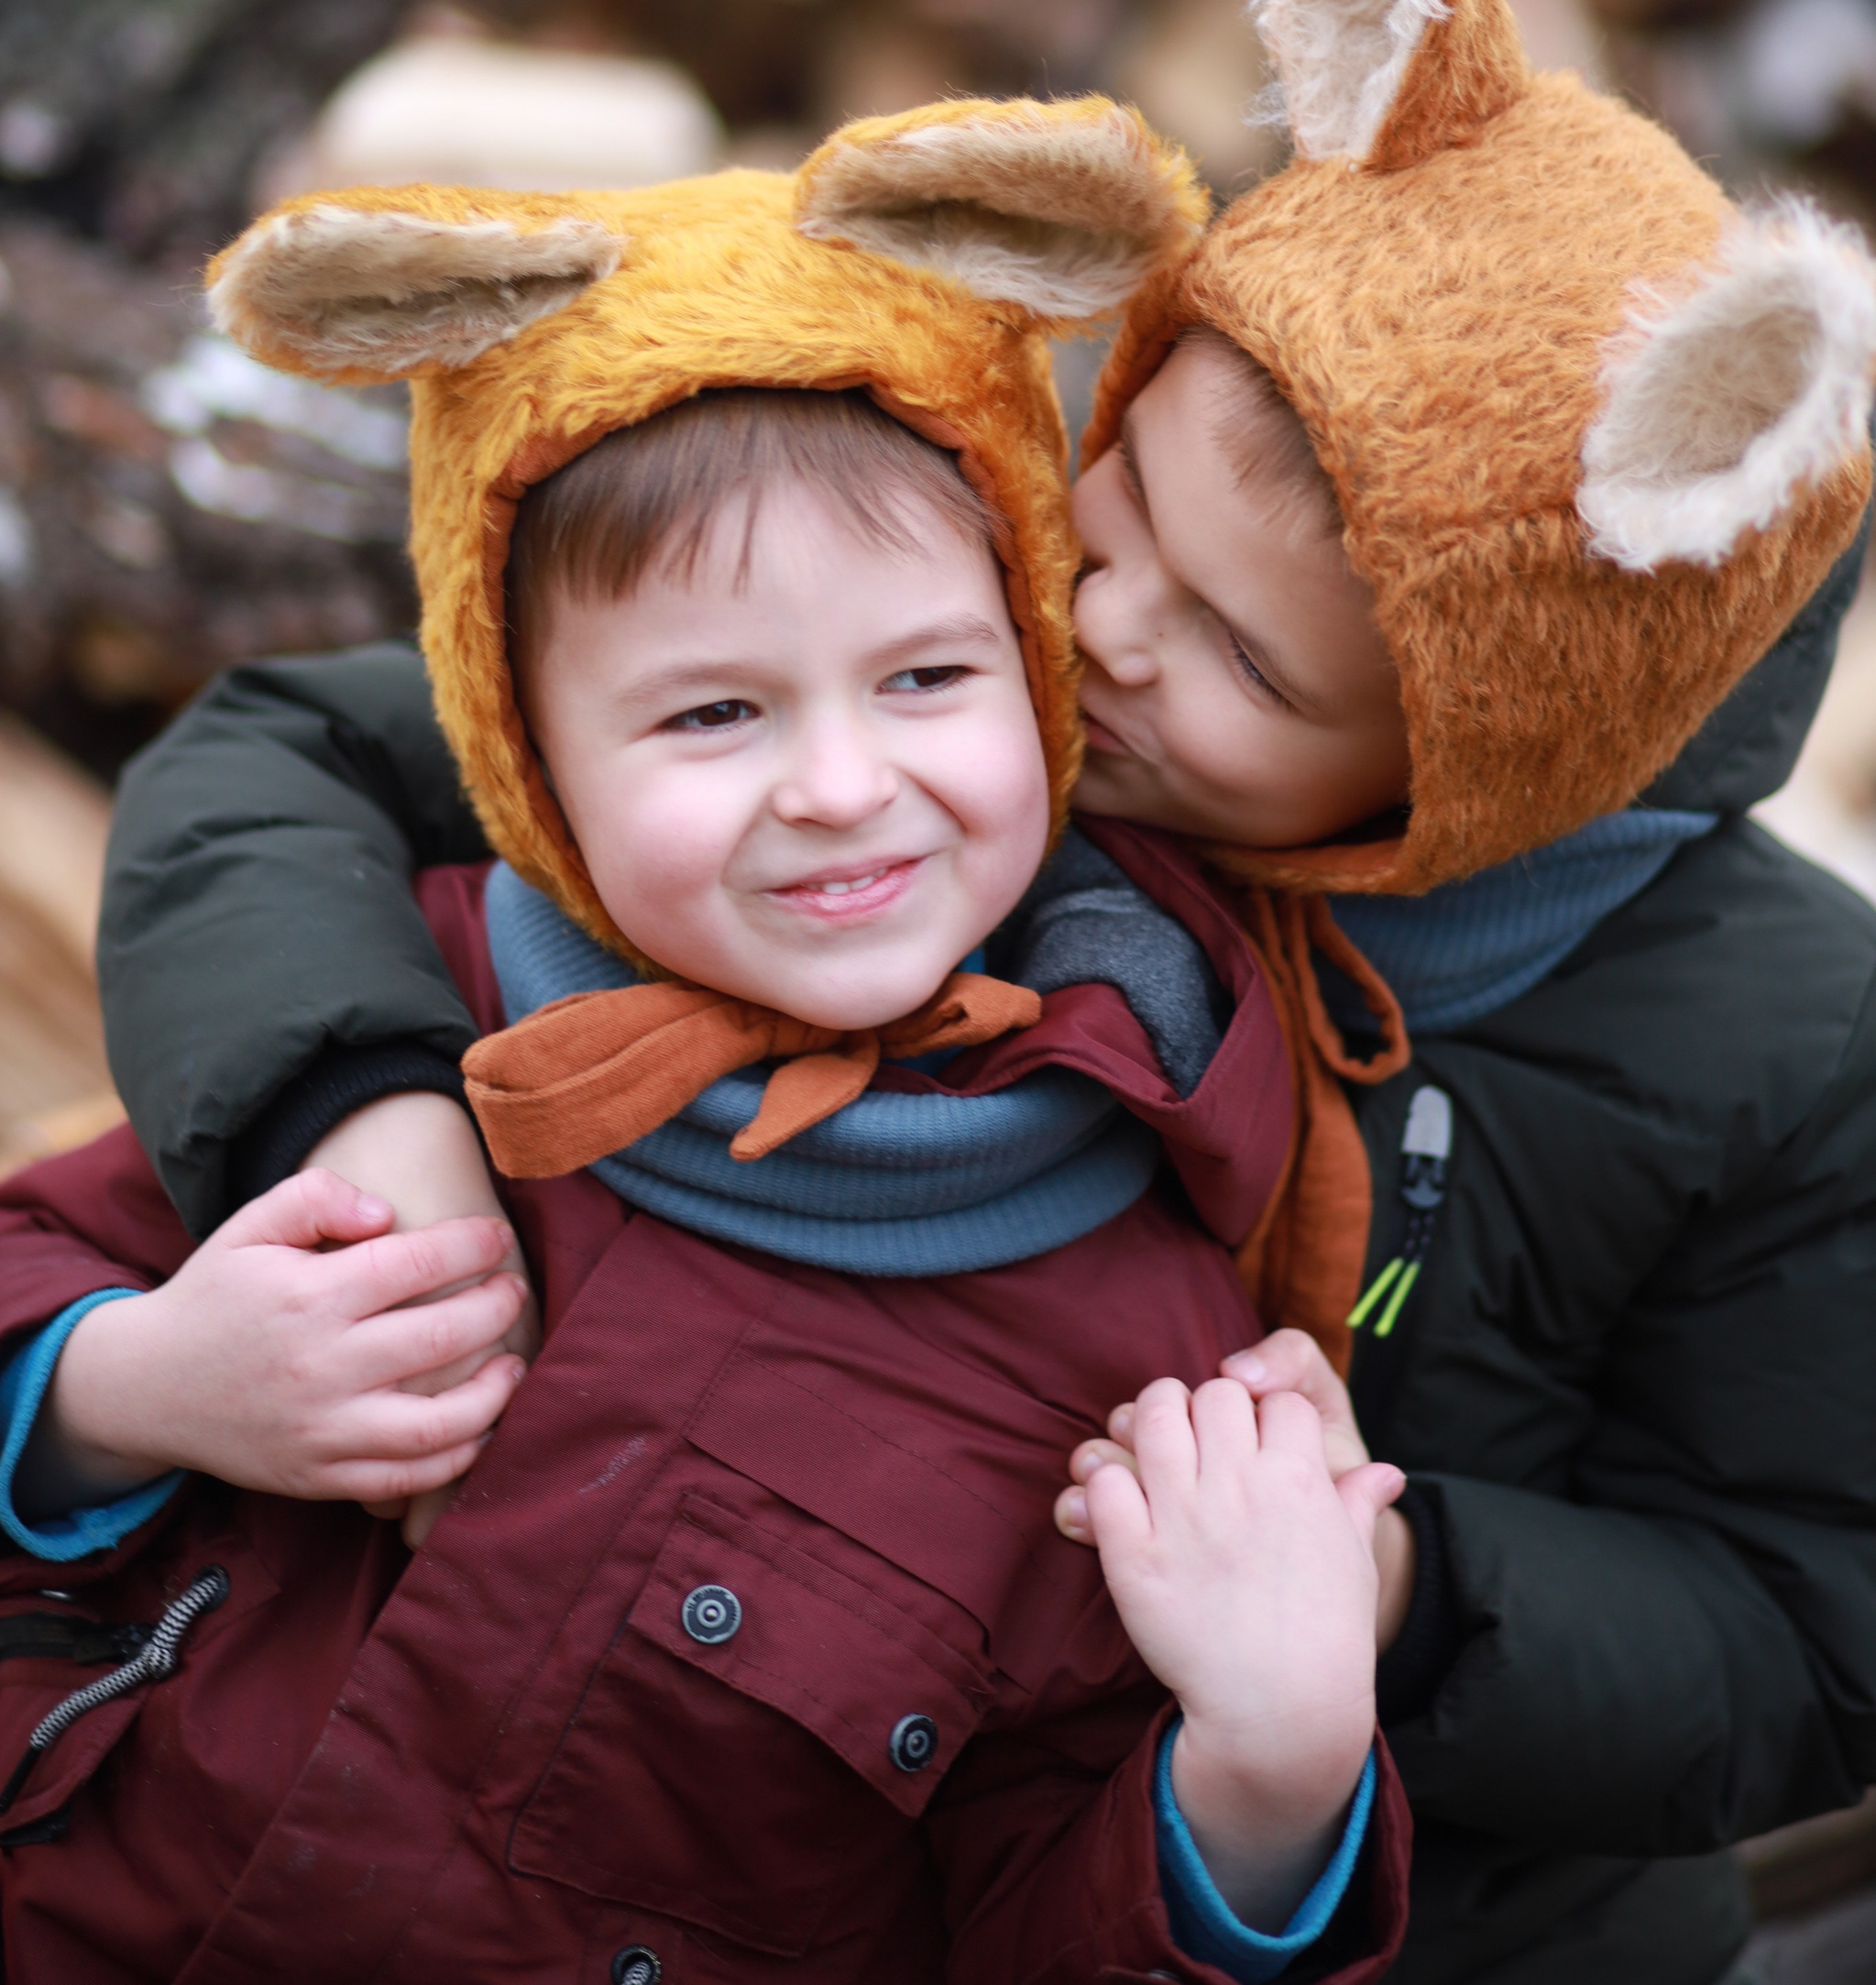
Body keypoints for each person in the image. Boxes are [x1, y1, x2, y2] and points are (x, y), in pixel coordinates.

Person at [93, 0, 1876, 1985]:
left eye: (1232, 652)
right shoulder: (953, 719)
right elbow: (293, 762)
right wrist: (360, 1117)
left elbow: (1814, 1636)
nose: (1102, 639)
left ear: (1471, 761)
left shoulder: (1787, 1048)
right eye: (1110, 520)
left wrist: (1388, 1603)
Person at [0, 103, 1412, 1984]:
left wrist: (1272, 1768)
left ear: (1041, 677)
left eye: (924, 676)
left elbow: (1015, 1921)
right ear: (526, 757)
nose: (843, 788)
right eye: (713, 713)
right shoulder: (403, 1033)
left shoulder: (1137, 1346)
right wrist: (126, 1388)